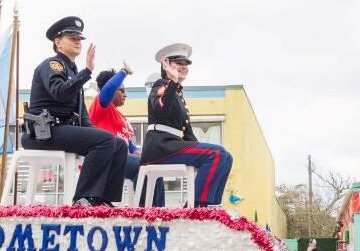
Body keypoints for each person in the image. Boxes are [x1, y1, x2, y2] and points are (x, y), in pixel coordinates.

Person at [22, 16, 127, 206]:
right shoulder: (52, 65)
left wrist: (99, 133)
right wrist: (86, 71)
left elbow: (83, 117)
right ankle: (84, 198)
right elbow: (60, 93)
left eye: (79, 38)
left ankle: (103, 199)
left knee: (118, 143)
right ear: (58, 42)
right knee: (104, 141)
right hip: (43, 133)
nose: (77, 41)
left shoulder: (72, 72)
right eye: (72, 38)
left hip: (60, 130)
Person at [140, 43, 233, 207]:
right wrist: (173, 82)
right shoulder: (161, 85)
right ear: (166, 65)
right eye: (179, 63)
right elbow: (161, 110)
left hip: (173, 144)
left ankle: (208, 206)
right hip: (160, 146)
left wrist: (199, 147)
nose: (184, 67)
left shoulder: (177, 93)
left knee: (225, 156)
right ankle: (196, 206)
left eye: (186, 64)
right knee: (217, 154)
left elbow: (187, 133)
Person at [89, 65, 164, 206]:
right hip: (105, 159)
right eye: (121, 90)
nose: (125, 94)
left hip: (122, 157)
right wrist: (124, 72)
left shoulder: (121, 118)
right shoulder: (101, 106)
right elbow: (108, 89)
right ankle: (145, 214)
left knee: (154, 166)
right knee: (143, 167)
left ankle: (160, 213)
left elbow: (133, 150)